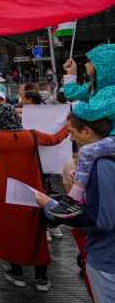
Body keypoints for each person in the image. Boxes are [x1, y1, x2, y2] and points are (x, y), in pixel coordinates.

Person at [34, 115, 115, 303]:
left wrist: (49, 206)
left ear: (87, 132)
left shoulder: (102, 165)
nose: (71, 137)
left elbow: (101, 218)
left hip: (107, 259)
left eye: (73, 132)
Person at [0, 103, 68, 291]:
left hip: (5, 190)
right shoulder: (31, 135)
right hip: (31, 188)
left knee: (9, 229)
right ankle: (41, 277)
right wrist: (67, 127)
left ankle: (17, 272)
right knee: (35, 227)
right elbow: (54, 139)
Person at [62, 49, 115, 205]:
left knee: (86, 151)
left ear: (102, 65)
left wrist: (73, 106)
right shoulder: (95, 87)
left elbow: (92, 111)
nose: (86, 64)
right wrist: (71, 73)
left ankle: (74, 198)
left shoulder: (111, 90)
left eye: (90, 61)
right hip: (109, 138)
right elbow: (72, 94)